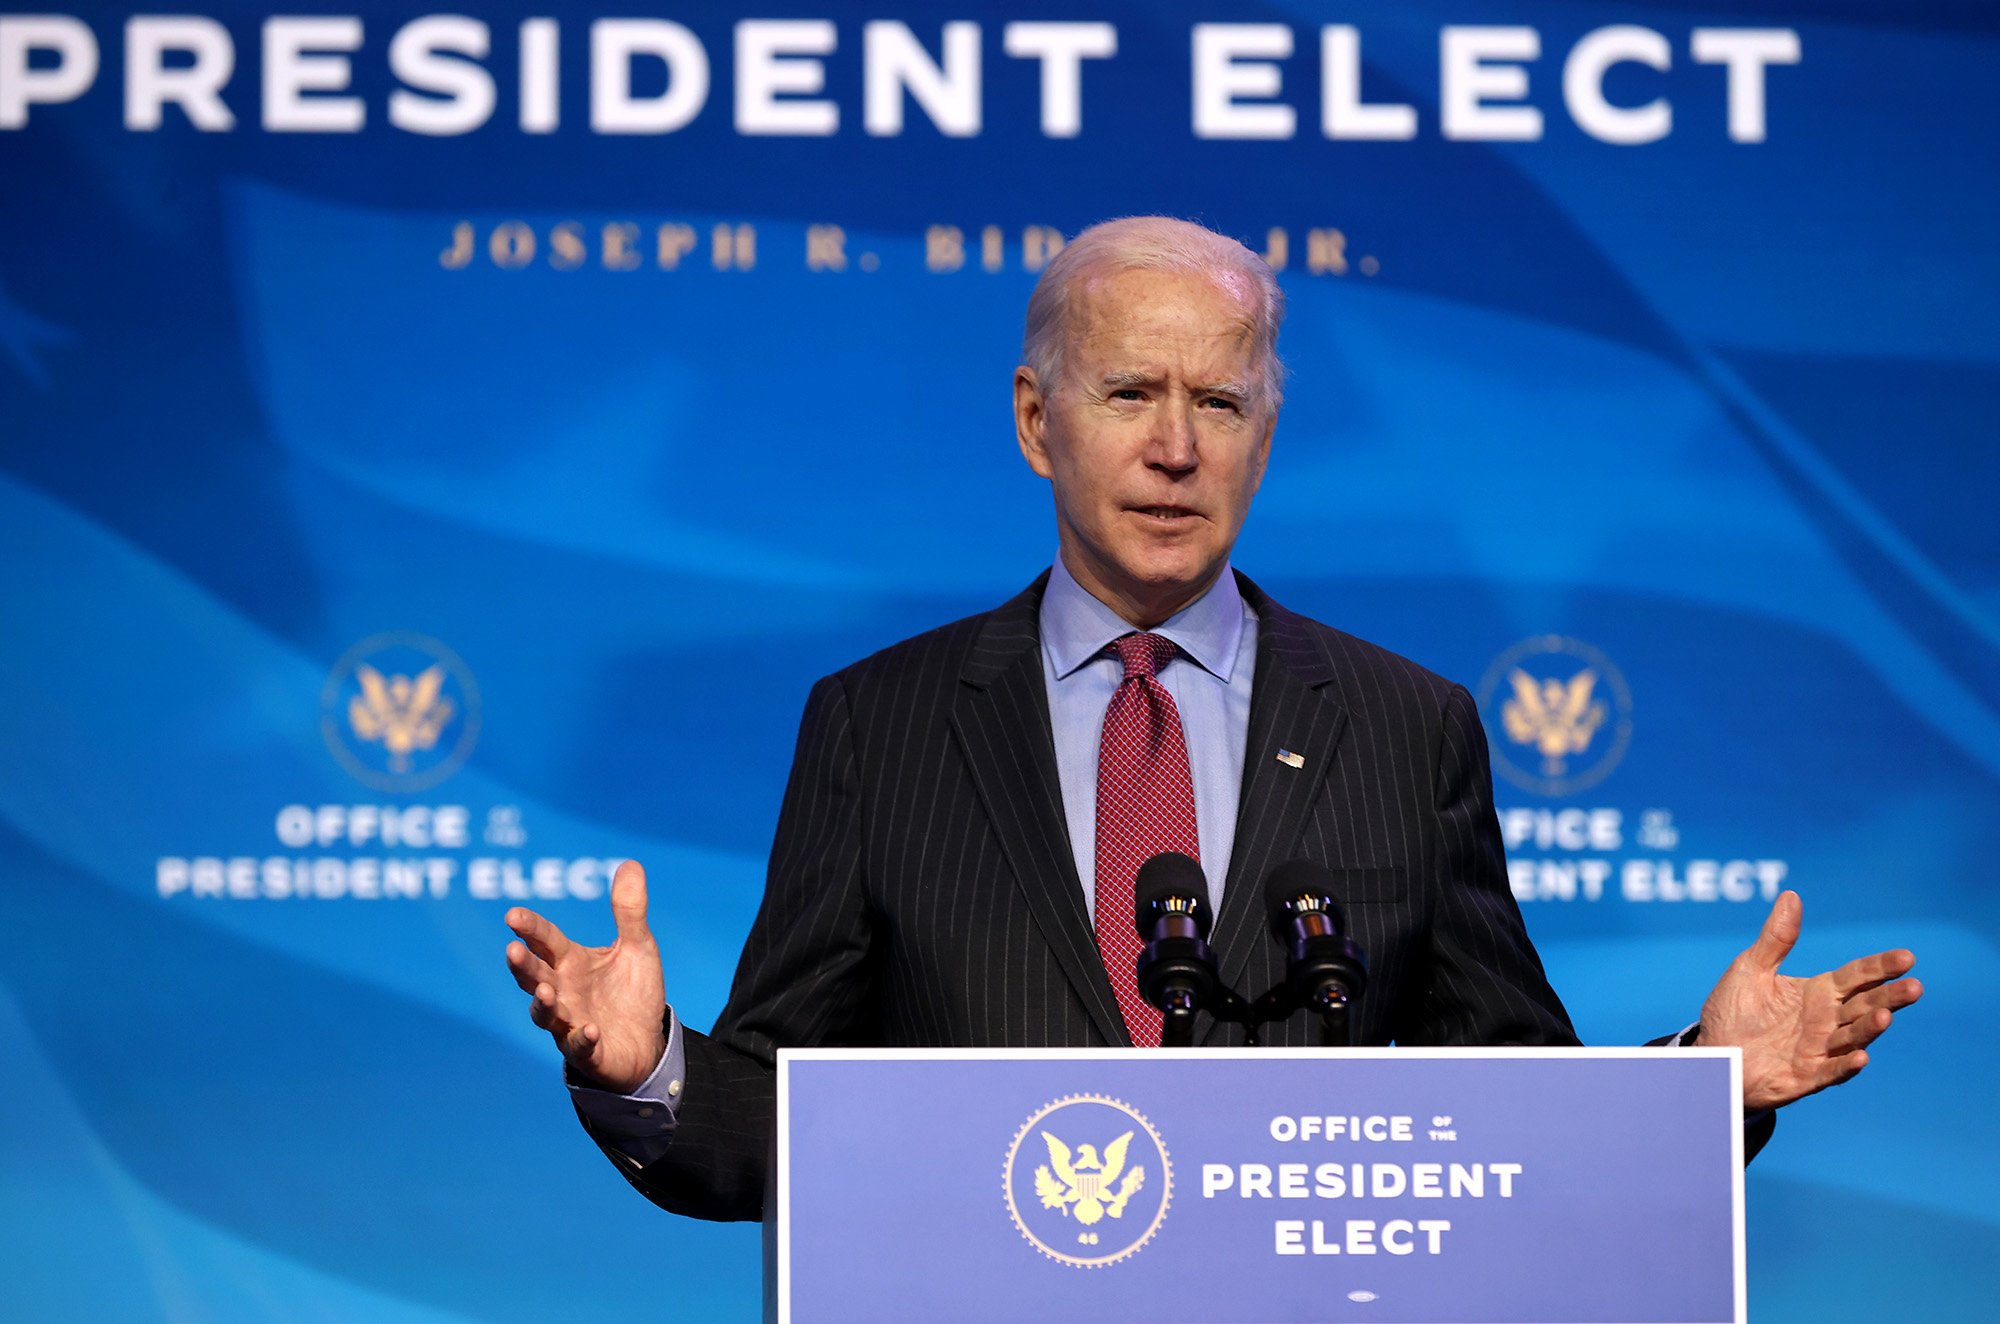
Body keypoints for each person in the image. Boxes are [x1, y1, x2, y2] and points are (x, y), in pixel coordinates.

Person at [502, 217, 1923, 1223]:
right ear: (1035, 421)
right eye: (1130, 393)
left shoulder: (1404, 724)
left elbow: (1504, 1120)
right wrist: (655, 1070)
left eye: (1220, 401)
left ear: (1267, 431)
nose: (1176, 447)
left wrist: (1704, 1086)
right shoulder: (880, 723)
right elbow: (776, 1136)